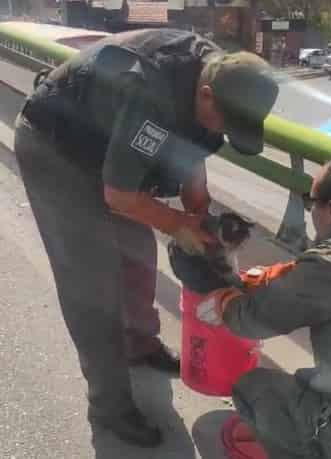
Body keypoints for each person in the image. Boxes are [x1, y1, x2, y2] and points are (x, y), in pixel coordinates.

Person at [14, 28, 278, 447]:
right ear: (206, 95)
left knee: (137, 256)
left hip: (111, 155)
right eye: (225, 123)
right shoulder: (154, 93)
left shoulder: (215, 77)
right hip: (57, 151)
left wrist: (197, 208)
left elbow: (195, 145)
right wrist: (176, 224)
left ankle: (139, 345)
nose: (225, 133)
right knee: (92, 286)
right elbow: (120, 195)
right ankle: (109, 405)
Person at [199, 156, 331, 458]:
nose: (310, 209)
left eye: (310, 201)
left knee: (255, 388)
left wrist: (225, 301)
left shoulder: (329, 266)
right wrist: (286, 274)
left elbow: (252, 321)